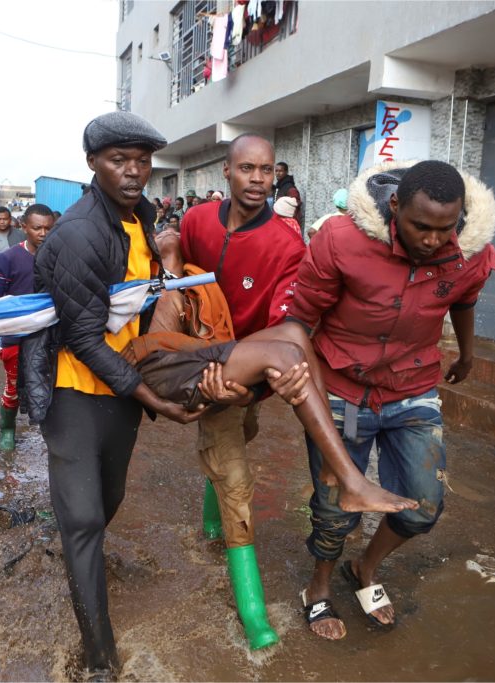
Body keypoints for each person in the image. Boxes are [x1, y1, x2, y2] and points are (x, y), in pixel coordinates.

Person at [20, 111, 211, 679]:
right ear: (92, 164)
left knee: (105, 506)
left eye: (142, 161)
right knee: (81, 520)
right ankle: (100, 658)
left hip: (122, 391)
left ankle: (82, 563)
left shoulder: (140, 220)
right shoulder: (79, 232)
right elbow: (81, 337)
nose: (133, 172)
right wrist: (156, 401)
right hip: (75, 389)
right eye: (118, 161)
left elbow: (140, 306)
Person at [290, 160, 495, 640]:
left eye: (444, 229)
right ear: (394, 208)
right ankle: (318, 586)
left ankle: (365, 568)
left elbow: (464, 300)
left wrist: (467, 353)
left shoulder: (469, 251)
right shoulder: (341, 241)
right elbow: (300, 318)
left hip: (413, 388)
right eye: (420, 226)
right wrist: (293, 378)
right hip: (343, 387)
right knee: (334, 506)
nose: (432, 240)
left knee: (424, 506)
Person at [178, 132, 308, 650]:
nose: (258, 179)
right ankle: (253, 610)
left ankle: (209, 525)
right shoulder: (195, 222)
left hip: (249, 378)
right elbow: (179, 285)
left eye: (266, 170)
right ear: (226, 173)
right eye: (247, 169)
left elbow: (283, 327)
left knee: (243, 431)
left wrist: (249, 383)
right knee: (235, 474)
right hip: (204, 369)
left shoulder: (287, 243)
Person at [0, 203, 53, 450]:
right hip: (17, 336)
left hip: (51, 336)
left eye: (48, 228)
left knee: (53, 387)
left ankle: (53, 435)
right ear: (23, 227)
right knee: (13, 387)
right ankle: (7, 429)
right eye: (37, 228)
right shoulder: (8, 258)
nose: (43, 234)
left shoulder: (59, 257)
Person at [272, 161, 303, 227]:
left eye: (280, 171)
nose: (278, 173)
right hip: (277, 221)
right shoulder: (279, 186)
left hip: (287, 223)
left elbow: (296, 203)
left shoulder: (290, 188)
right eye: (276, 171)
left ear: (286, 172)